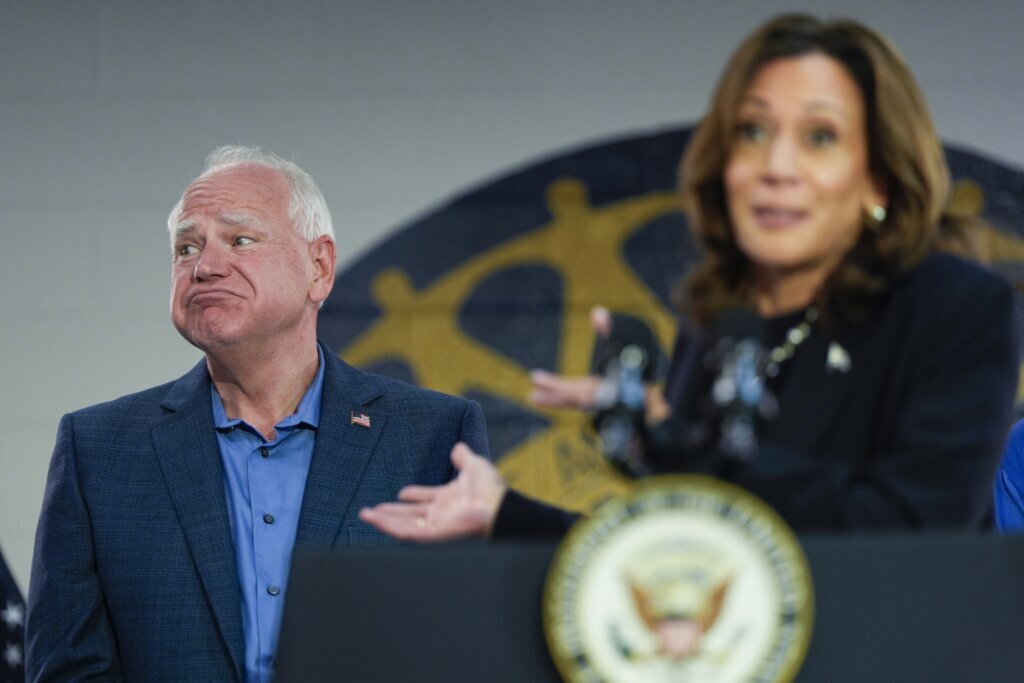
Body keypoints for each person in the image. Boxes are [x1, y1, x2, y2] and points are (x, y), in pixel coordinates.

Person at [359, 14, 1018, 541]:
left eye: (820, 137)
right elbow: (688, 551)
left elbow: (916, 533)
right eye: (753, 130)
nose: (776, 165)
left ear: (876, 175)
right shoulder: (721, 321)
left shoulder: (956, 308)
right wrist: (506, 513)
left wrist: (679, 440)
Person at [25, 146, 489, 681]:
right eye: (186, 248)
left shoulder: (434, 437)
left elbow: (466, 654)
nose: (204, 266)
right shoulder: (97, 450)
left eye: (240, 240)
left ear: (319, 268)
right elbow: (68, 670)